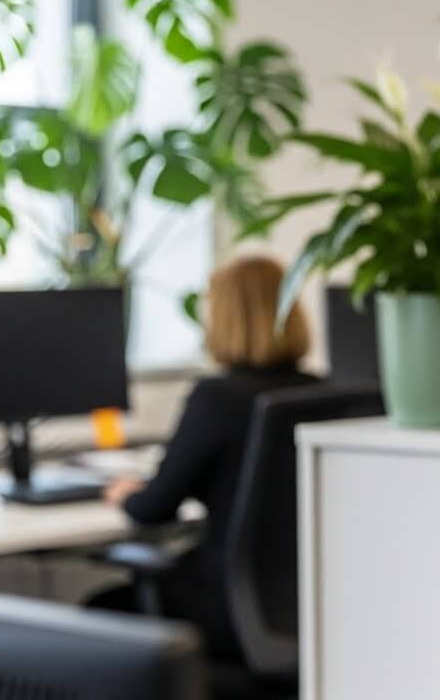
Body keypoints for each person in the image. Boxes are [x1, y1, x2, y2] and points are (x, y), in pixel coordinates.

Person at [91, 254, 319, 661]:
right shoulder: (324, 395)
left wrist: (125, 493)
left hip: (229, 615)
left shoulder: (217, 399)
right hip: (312, 611)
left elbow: (153, 509)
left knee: (98, 612)